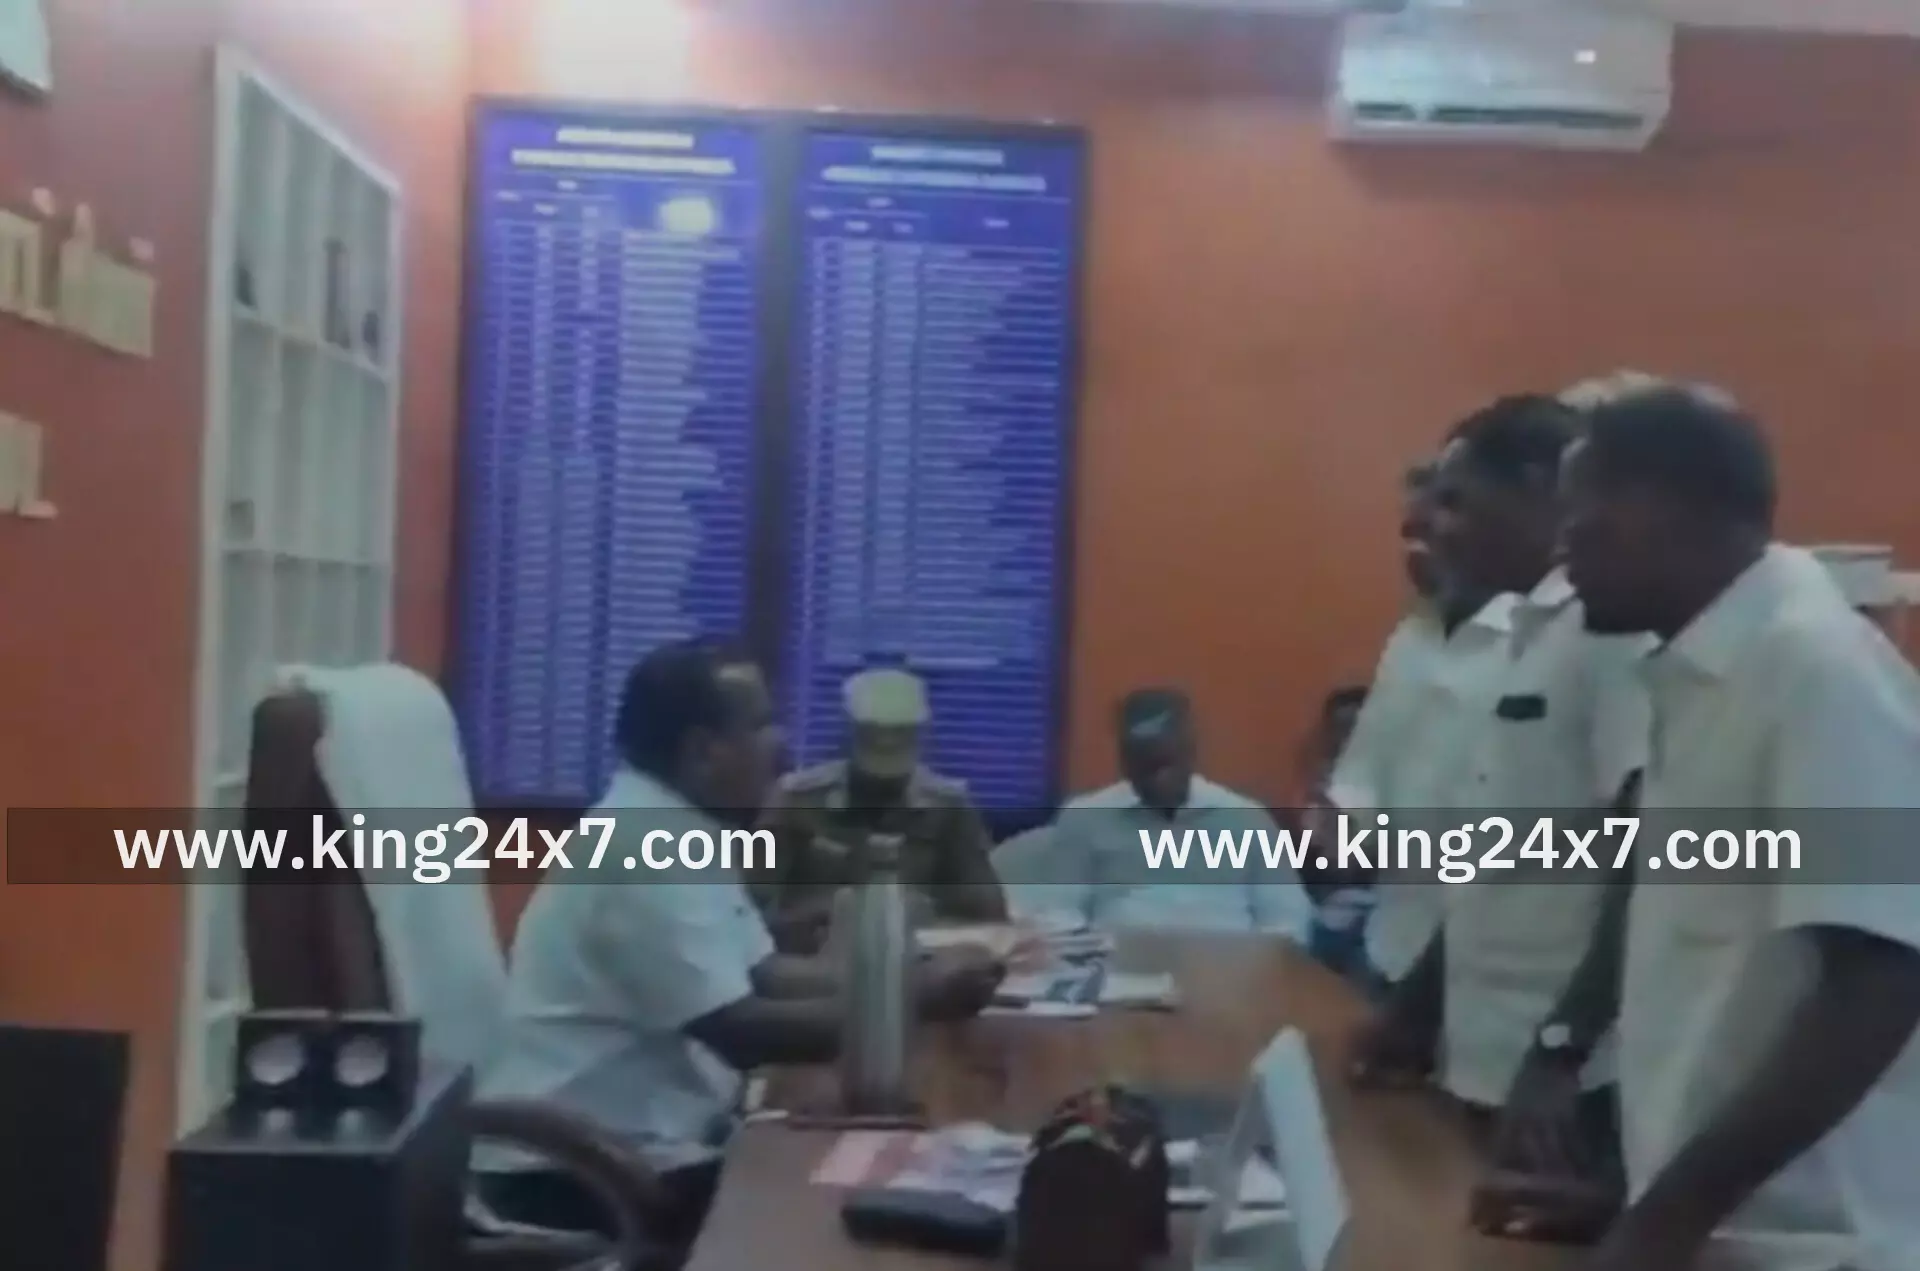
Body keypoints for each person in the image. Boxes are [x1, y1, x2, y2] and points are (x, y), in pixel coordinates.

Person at [1561, 384, 1920, 1271]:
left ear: (1662, 505)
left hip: (1817, 1240)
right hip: (1731, 1226)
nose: (1563, 545)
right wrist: (1631, 1199)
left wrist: (1665, 1220)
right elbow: (1722, 972)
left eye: (1582, 511)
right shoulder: (1701, 673)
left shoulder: (1815, 669)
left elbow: (1883, 976)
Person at [480, 642, 1005, 1246]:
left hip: (653, 1145)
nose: (781, 744)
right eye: (761, 724)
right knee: (840, 1223)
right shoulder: (642, 844)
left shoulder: (674, 827)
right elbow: (741, 1031)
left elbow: (765, 973)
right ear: (703, 750)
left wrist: (908, 970)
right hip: (581, 1176)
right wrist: (915, 999)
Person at [1348, 394, 1650, 1191]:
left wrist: (1563, 1047)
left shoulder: (1608, 629)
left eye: (1458, 502)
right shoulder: (1524, 631)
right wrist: (1417, 1005)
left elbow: (1645, 846)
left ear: (1537, 486)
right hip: (1484, 1052)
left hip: (1571, 1080)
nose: (1437, 526)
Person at [1326, 459, 1515, 997]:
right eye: (1408, 535)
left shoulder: (1535, 638)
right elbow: (1362, 783)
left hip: (1487, 959)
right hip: (1391, 941)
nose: (1415, 550)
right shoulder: (1412, 636)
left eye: (1428, 533)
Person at [752, 668, 1006, 950]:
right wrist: (825, 912)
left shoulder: (949, 807)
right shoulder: (796, 799)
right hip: (813, 956)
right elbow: (746, 914)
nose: (882, 790)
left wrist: (919, 919)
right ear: (847, 736)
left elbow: (988, 916)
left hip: (919, 957)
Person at [1047, 688, 1314, 940]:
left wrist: (1257, 964)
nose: (1157, 780)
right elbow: (1057, 911)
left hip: (1229, 964)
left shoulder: (1246, 819)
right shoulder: (1085, 817)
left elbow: (1287, 916)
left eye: (1166, 764)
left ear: (1190, 752)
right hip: (1120, 963)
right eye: (1144, 766)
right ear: (1123, 761)